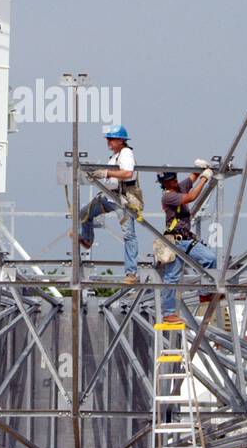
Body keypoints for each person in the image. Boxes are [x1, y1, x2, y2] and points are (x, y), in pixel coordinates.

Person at [75, 125, 141, 284]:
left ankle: (131, 273)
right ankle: (87, 239)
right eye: (108, 139)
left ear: (121, 140)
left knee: (128, 235)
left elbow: (127, 173)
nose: (108, 142)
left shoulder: (126, 153)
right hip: (110, 197)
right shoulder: (115, 156)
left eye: (111, 139)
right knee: (85, 213)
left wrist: (106, 173)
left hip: (122, 200)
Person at [156, 163, 217, 322]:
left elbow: (192, 178)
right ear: (165, 183)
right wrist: (205, 177)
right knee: (172, 277)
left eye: (174, 177)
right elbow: (191, 197)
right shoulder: (168, 196)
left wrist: (200, 168)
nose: (174, 180)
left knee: (209, 259)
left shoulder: (178, 187)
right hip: (177, 241)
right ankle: (169, 313)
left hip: (183, 240)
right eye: (171, 179)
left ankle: (205, 293)